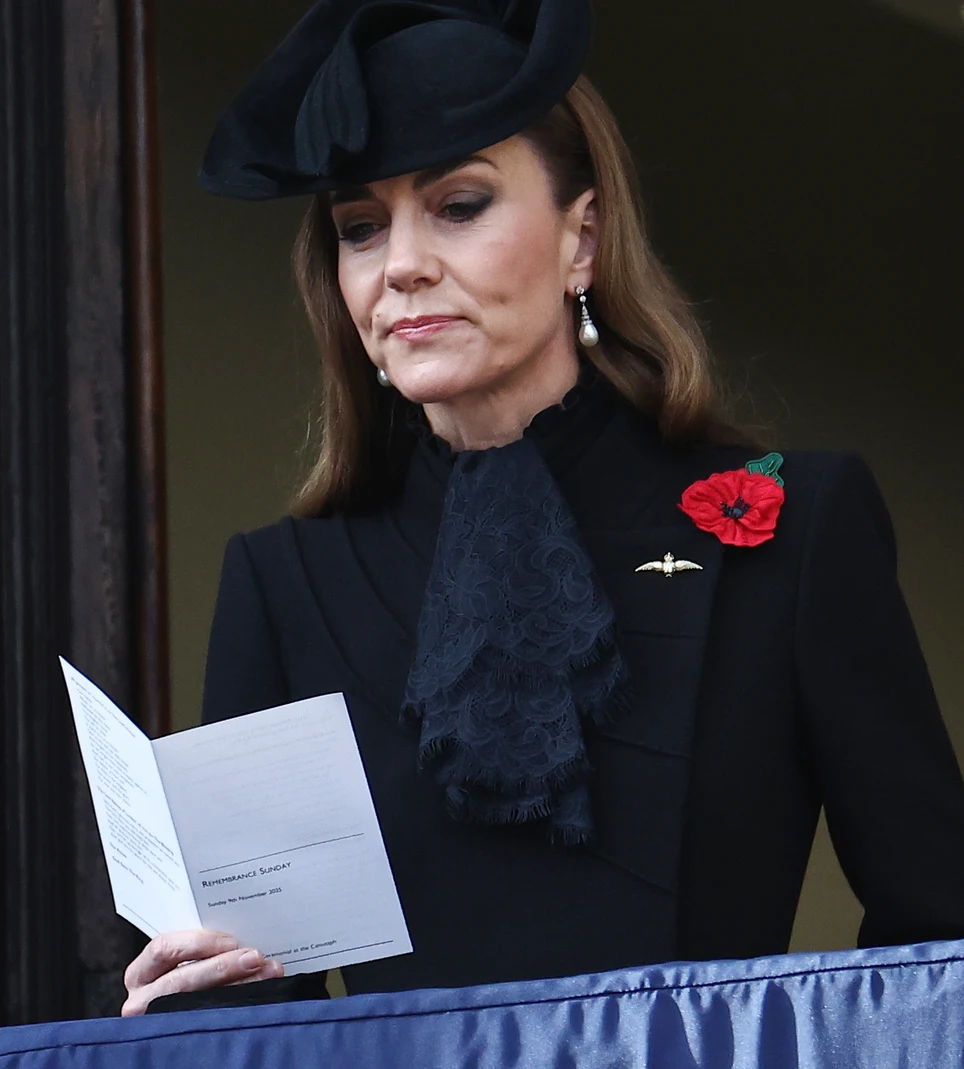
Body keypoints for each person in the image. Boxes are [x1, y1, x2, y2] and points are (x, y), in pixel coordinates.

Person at [123, 0, 964, 1015]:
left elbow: (935, 941)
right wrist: (191, 996)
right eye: (358, 227)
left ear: (584, 236)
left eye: (460, 203)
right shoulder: (282, 582)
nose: (399, 265)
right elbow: (268, 1007)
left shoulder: (797, 523)